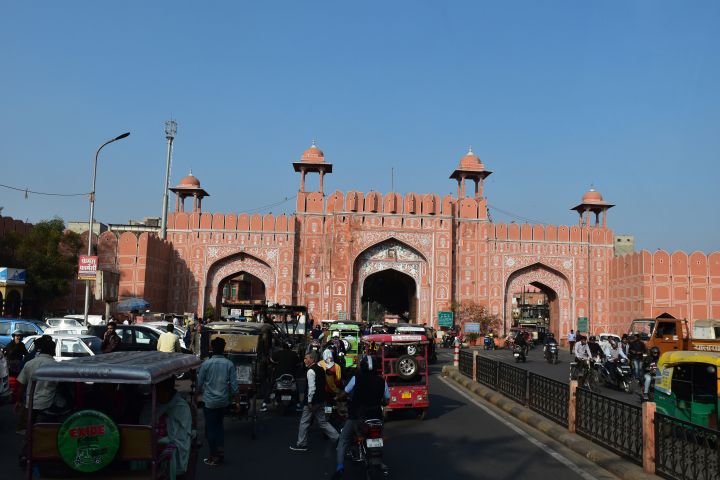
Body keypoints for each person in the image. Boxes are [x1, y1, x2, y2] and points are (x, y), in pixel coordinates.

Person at [332, 354, 390, 479]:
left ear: (362, 367)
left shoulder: (356, 378)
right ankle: (379, 460)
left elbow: (344, 393)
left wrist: (338, 397)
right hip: (376, 416)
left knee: (343, 440)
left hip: (357, 416)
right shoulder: (382, 380)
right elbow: (386, 400)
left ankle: (340, 468)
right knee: (379, 436)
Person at [139, 377, 192, 479]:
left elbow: (183, 435)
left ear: (170, 390)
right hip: (149, 445)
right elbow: (143, 427)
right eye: (159, 390)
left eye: (164, 390)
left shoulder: (181, 407)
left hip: (172, 444)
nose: (161, 394)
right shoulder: (150, 406)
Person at [197, 337, 239, 466]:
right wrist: (236, 401)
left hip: (209, 402)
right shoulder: (229, 364)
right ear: (224, 349)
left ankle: (213, 455)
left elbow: (199, 384)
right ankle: (219, 451)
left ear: (212, 348)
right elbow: (234, 385)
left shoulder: (206, 364)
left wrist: (197, 396)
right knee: (219, 426)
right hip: (223, 402)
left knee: (210, 429)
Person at [289, 351, 339, 452]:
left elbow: (312, 388)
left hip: (313, 401)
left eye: (306, 358)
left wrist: (310, 402)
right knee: (322, 422)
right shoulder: (320, 369)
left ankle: (301, 444)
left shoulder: (310, 371)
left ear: (312, 359)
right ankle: (338, 438)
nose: (305, 360)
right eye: (304, 358)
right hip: (321, 400)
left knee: (304, 422)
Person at [262, 342, 301, 412]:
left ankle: (264, 404)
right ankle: (298, 404)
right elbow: (298, 364)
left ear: (282, 347)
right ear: (290, 348)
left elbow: (271, 360)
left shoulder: (278, 353)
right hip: (291, 376)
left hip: (278, 375)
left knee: (270, 387)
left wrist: (275, 364)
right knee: (296, 388)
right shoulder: (294, 354)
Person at [3, 330, 28, 402]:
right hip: (10, 367)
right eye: (17, 336)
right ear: (14, 337)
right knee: (11, 383)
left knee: (19, 382)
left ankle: (17, 398)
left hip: (19, 367)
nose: (19, 337)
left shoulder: (22, 345)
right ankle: (11, 397)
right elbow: (8, 354)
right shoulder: (9, 345)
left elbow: (26, 354)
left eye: (20, 336)